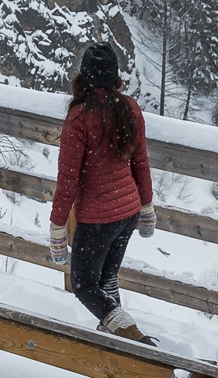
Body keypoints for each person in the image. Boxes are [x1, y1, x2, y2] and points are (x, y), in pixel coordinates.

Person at [47, 41, 156, 338]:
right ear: (114, 76)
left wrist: (58, 226)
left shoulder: (80, 118)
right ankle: (119, 339)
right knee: (107, 278)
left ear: (83, 77)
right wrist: (146, 206)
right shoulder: (129, 108)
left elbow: (68, 180)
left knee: (83, 285)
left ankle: (131, 334)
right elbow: (141, 162)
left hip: (99, 220)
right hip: (128, 214)